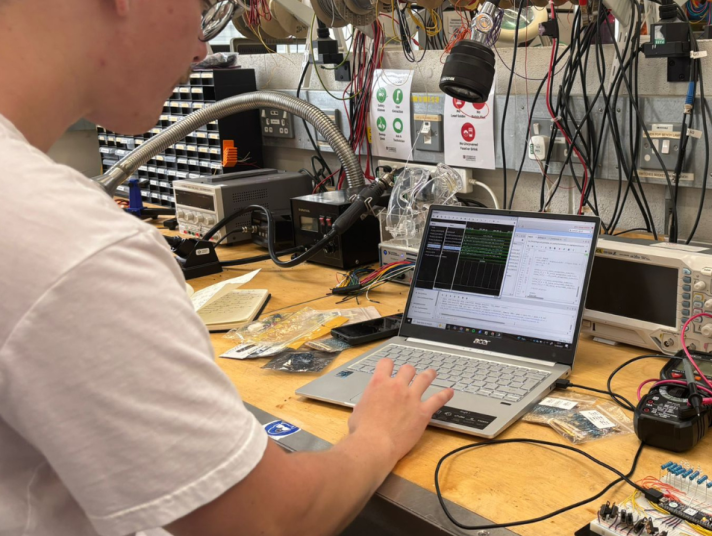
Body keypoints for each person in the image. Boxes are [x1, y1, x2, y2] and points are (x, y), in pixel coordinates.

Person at [0, 1, 454, 535]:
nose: (202, 49)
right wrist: (378, 435)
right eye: (198, 8)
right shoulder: (70, 244)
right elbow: (273, 521)